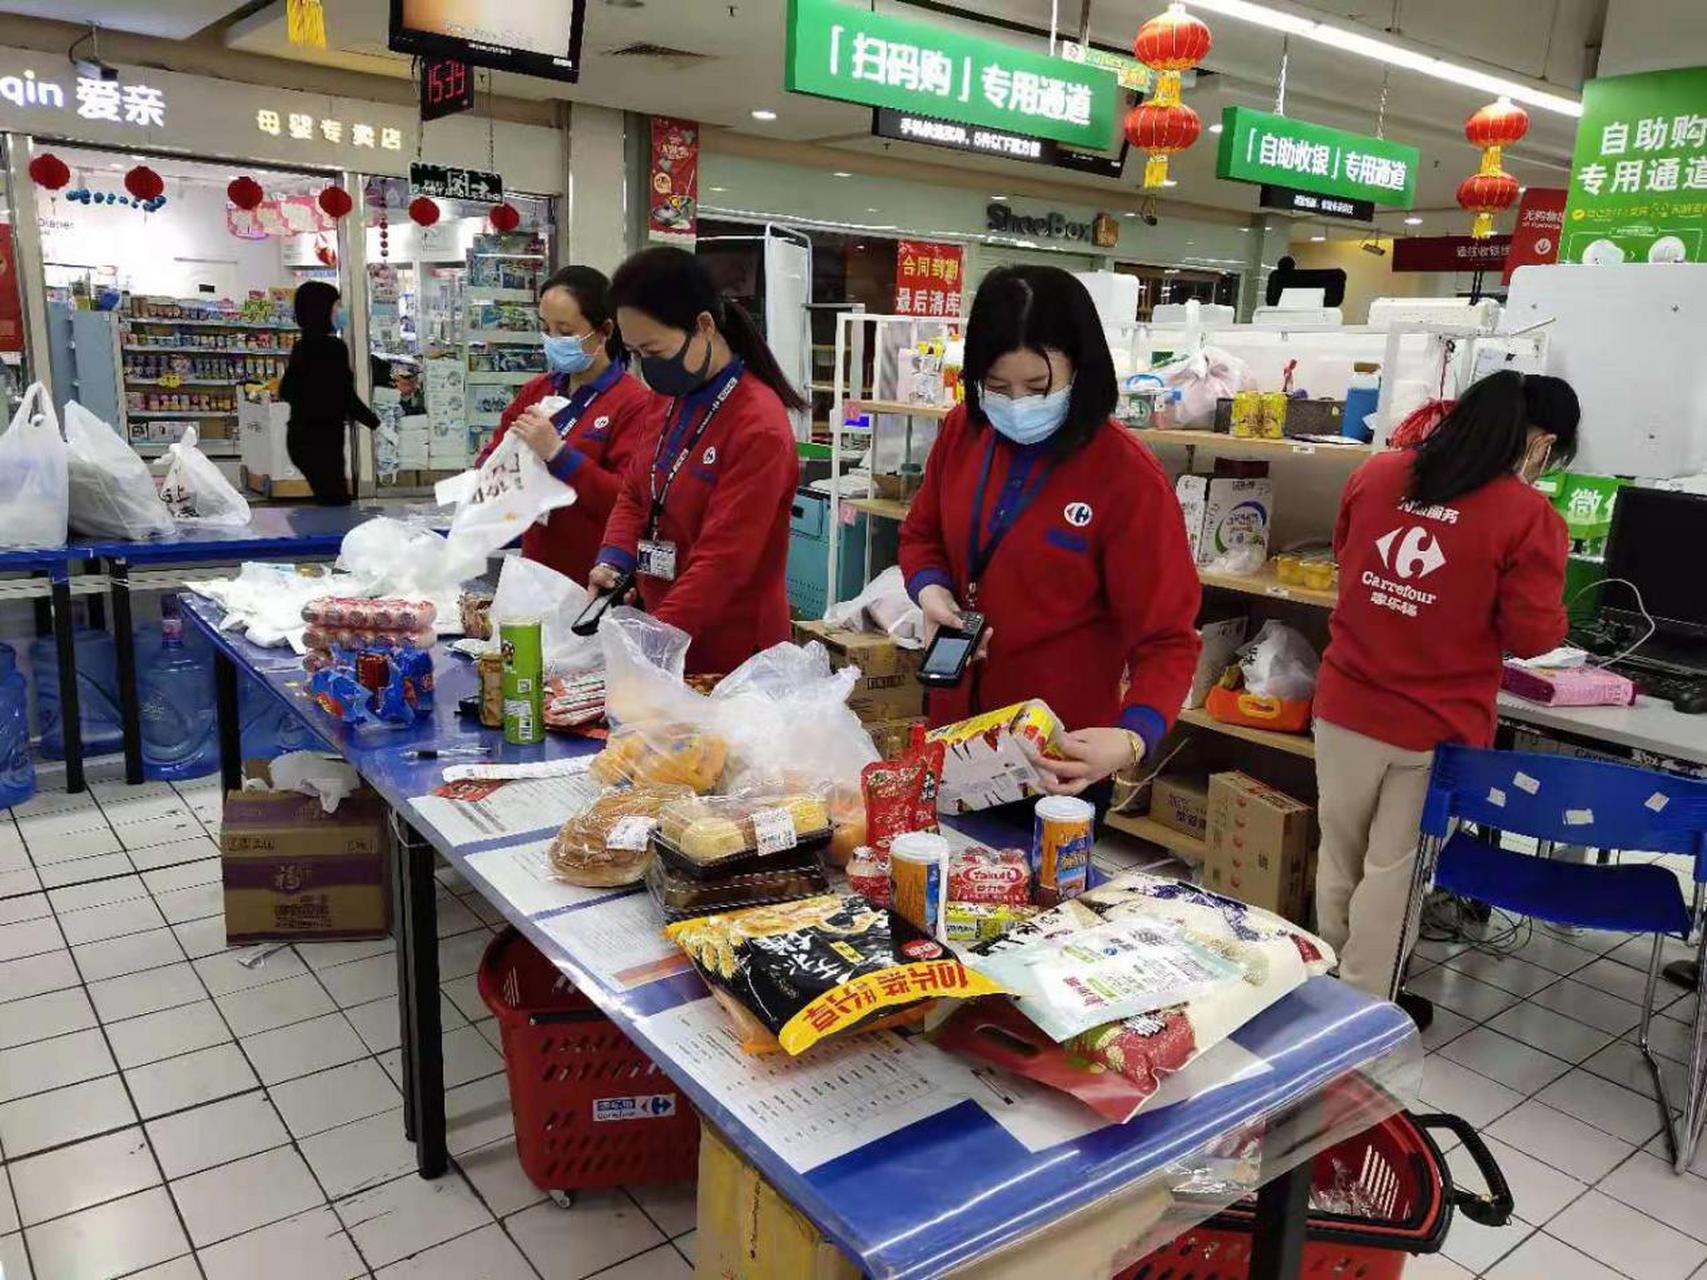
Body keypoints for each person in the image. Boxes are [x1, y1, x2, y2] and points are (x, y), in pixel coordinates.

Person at [1314, 370, 1579, 1013]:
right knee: (1395, 872)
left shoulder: (1376, 475)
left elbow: (1346, 559)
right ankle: (1362, 1014)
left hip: (1345, 704)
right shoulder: (1527, 515)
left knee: (1340, 852)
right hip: (1435, 726)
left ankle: (1322, 994)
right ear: (1540, 445)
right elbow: (1535, 633)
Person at [898, 265, 1202, 797]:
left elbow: (1168, 638)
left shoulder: (1124, 475)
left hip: (1059, 757)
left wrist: (1133, 736)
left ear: (1079, 367)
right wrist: (931, 591)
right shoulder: (965, 432)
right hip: (955, 734)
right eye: (997, 386)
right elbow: (922, 534)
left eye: (1037, 386)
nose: (1015, 404)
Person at [589, 247, 806, 675]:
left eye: (653, 350)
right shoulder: (668, 399)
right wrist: (612, 560)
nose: (646, 368)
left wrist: (655, 644)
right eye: (635, 354)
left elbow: (724, 560)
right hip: (666, 630)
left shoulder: (758, 426)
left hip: (733, 651)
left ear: (704, 326)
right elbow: (637, 491)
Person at [475, 266, 656, 585]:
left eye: (566, 330)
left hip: (594, 577)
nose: (554, 341)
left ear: (604, 330)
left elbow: (627, 501)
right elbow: (490, 459)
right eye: (547, 328)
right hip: (536, 569)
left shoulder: (633, 403)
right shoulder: (537, 391)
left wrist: (558, 455)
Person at [279, 281, 378, 506]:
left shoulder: (301, 346)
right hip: (322, 442)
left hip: (300, 439)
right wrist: (375, 424)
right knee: (335, 505)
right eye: (337, 305)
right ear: (322, 310)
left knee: (328, 500)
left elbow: (286, 389)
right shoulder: (332, 348)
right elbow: (345, 396)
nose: (341, 311)